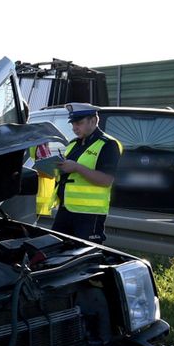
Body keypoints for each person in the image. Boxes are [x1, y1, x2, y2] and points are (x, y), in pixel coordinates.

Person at [50, 103, 122, 243]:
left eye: (79, 123)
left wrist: (77, 167)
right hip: (66, 210)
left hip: (89, 214)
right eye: (73, 123)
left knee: (87, 257)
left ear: (93, 121)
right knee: (56, 249)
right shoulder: (73, 144)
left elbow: (106, 180)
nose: (74, 127)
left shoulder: (108, 145)